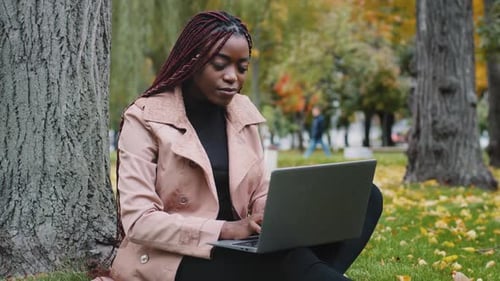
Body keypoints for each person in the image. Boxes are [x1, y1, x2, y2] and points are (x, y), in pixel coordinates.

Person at [94, 10, 383, 281]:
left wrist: (268, 212)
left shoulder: (242, 113)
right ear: (191, 62)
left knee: (366, 199)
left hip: (240, 247)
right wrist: (228, 230)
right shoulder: (144, 118)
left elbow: (260, 189)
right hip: (173, 256)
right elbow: (140, 221)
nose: (233, 76)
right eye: (220, 65)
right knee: (286, 259)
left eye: (242, 67)